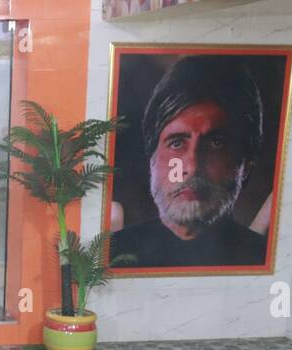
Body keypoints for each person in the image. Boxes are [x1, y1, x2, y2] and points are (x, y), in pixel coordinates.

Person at [110, 56, 269, 269]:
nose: (192, 168)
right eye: (176, 143)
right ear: (152, 161)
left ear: (246, 167)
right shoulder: (110, 256)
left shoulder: (264, 259)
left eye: (216, 143)